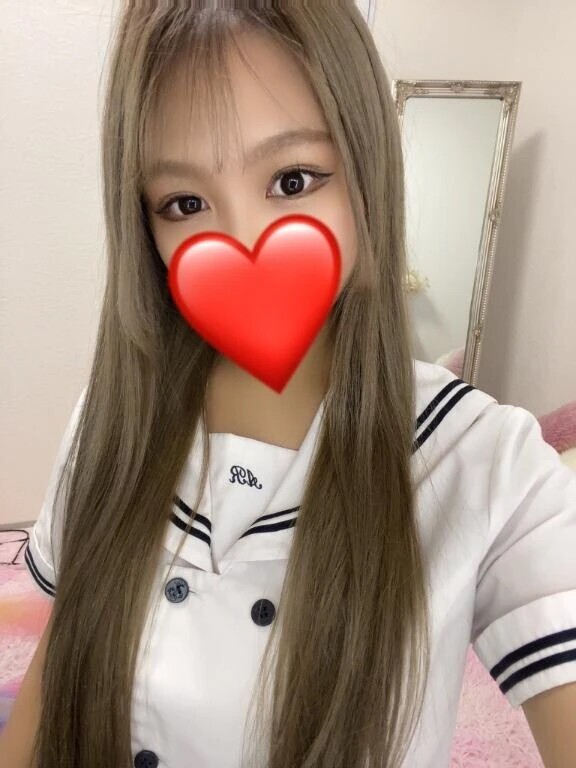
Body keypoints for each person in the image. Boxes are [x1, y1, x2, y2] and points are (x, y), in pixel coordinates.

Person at [3, 4, 576, 768]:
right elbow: (57, 672)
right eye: (184, 203)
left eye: (292, 179)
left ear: (366, 173)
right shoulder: (113, 421)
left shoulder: (486, 465)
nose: (242, 242)